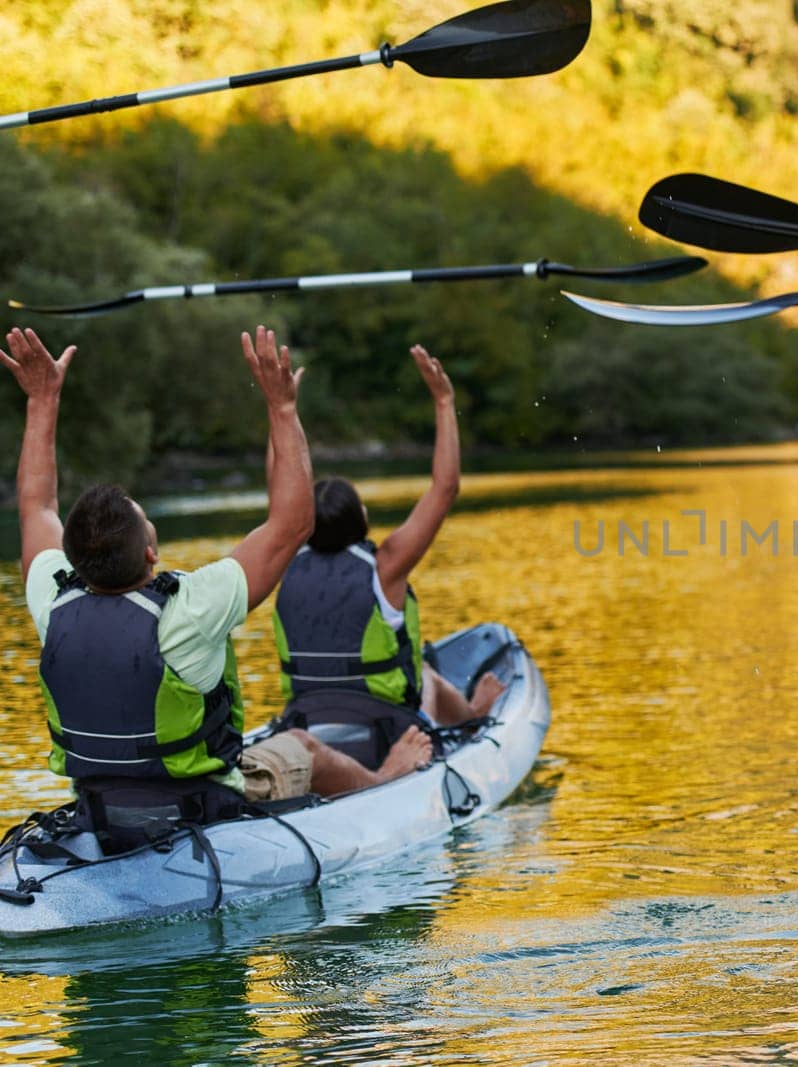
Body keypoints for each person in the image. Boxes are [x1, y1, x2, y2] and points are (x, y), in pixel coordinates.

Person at [5, 325, 433, 835]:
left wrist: (42, 399)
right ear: (149, 552)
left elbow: (35, 505)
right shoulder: (189, 609)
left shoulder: (52, 599)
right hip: (204, 803)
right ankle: (387, 778)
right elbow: (292, 524)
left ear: (71, 558)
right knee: (306, 749)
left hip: (98, 802)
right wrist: (282, 408)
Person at [270, 343, 503, 767]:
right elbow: (444, 488)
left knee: (422, 673)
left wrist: (281, 410)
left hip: (303, 723)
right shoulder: (386, 567)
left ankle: (467, 714)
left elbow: (279, 487)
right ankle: (472, 718)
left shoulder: (285, 555)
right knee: (426, 674)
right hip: (386, 732)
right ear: (360, 518)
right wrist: (444, 400)